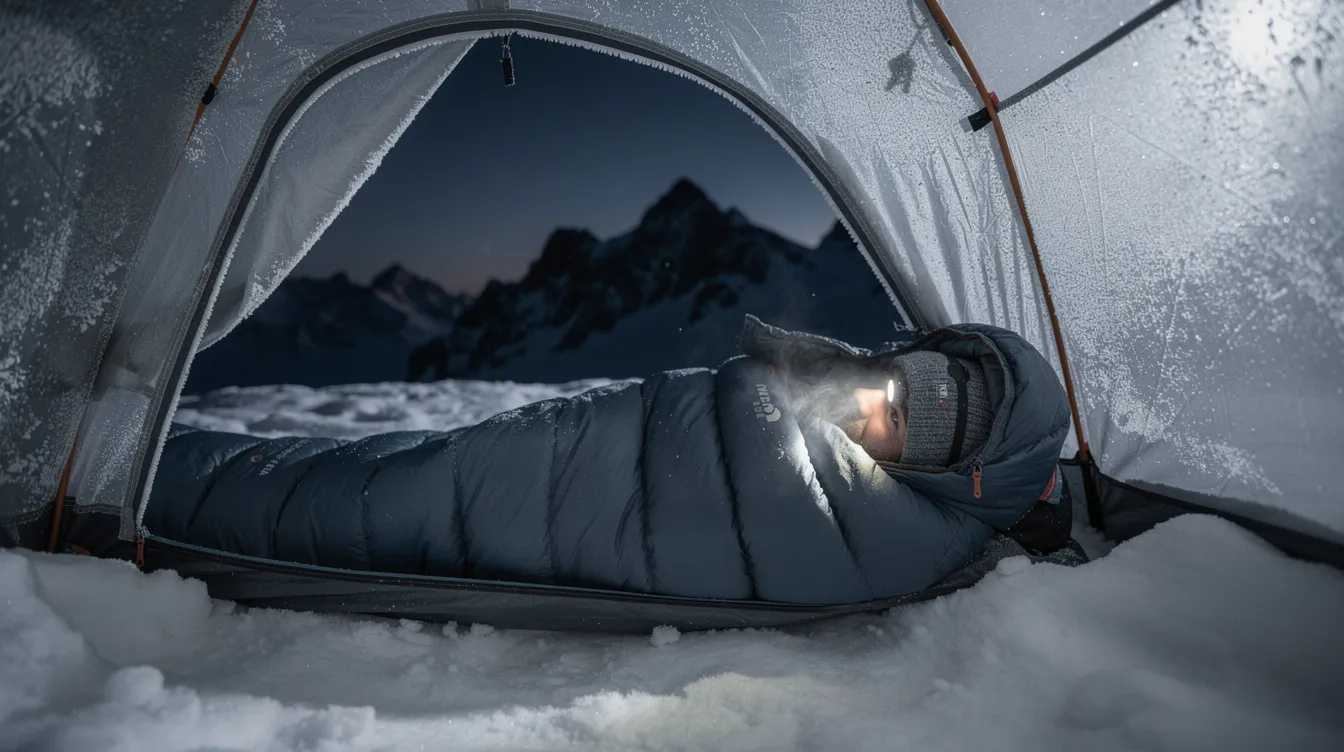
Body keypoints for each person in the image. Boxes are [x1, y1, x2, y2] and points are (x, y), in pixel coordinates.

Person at [145, 315, 1073, 606]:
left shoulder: (911, 537)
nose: (872, 404)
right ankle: (154, 468)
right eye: (893, 381)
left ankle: (140, 485)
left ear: (947, 472)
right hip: (569, 447)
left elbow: (788, 520)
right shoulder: (869, 436)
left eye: (904, 422)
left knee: (377, 500)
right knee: (380, 469)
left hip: (564, 498)